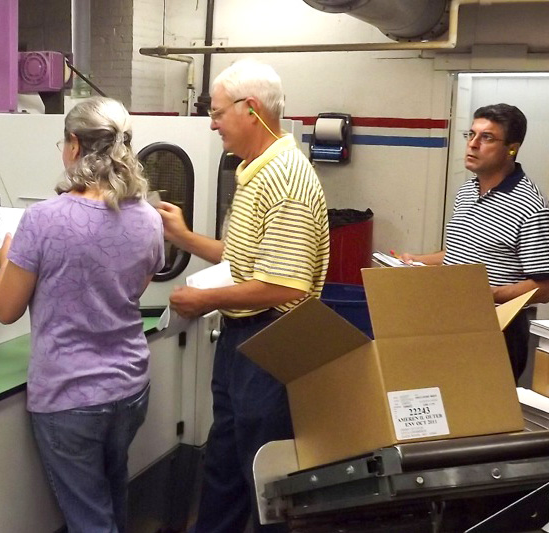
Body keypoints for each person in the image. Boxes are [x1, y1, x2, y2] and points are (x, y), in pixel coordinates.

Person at [157, 59, 329, 533]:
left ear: (250, 109)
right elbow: (247, 260)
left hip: (272, 341)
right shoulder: (256, 169)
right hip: (242, 340)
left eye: (216, 113)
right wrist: (185, 237)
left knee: (263, 471)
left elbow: (286, 285)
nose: (212, 125)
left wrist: (205, 300)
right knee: (227, 459)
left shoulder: (286, 180)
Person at [0, 97, 165, 533]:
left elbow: (6, 309)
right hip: (130, 387)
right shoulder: (148, 218)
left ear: (73, 145)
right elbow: (133, 289)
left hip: (70, 396)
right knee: (113, 493)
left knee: (89, 518)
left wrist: (7, 262)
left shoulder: (42, 220)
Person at [402, 103, 549, 382]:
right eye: (470, 135)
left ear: (512, 149)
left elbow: (544, 286)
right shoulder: (467, 190)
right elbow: (462, 252)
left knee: (482, 416)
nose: (473, 144)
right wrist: (416, 260)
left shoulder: (531, 206)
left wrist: (489, 294)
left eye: (487, 138)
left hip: (497, 327)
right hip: (449, 317)